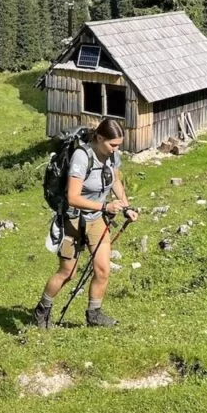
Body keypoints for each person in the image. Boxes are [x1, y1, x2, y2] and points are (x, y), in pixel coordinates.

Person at [33, 118, 139, 328]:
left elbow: (115, 180)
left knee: (102, 269)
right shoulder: (82, 157)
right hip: (72, 219)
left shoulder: (112, 156)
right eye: (113, 144)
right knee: (67, 273)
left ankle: (94, 315)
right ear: (99, 138)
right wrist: (104, 207)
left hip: (96, 220)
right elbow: (72, 197)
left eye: (119, 145)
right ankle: (41, 312)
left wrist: (126, 207)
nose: (116, 150)